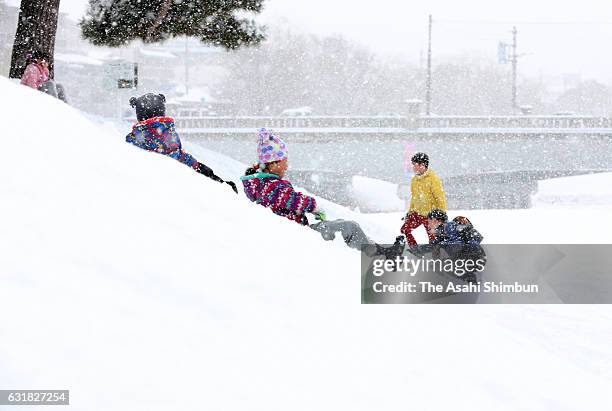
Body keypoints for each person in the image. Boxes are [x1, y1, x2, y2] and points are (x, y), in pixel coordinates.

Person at [241, 128, 404, 255]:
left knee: (343, 226)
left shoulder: (260, 184)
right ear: (273, 163)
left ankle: (375, 250)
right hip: (297, 235)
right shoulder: (270, 186)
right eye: (284, 161)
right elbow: (291, 199)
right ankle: (377, 253)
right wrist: (313, 206)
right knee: (348, 227)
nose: (287, 165)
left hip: (294, 230)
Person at [126, 93, 237, 193]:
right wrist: (209, 174)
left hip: (149, 189)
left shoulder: (134, 139)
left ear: (139, 115)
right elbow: (178, 156)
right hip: (178, 184)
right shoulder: (168, 131)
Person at [400, 152, 447, 247]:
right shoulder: (414, 180)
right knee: (405, 229)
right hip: (417, 213)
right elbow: (414, 198)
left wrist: (442, 214)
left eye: (415, 165)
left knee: (433, 239)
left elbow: (440, 197)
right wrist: (410, 212)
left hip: (430, 216)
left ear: (422, 165)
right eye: (412, 164)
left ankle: (435, 259)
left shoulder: (433, 179)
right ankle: (415, 249)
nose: (413, 167)